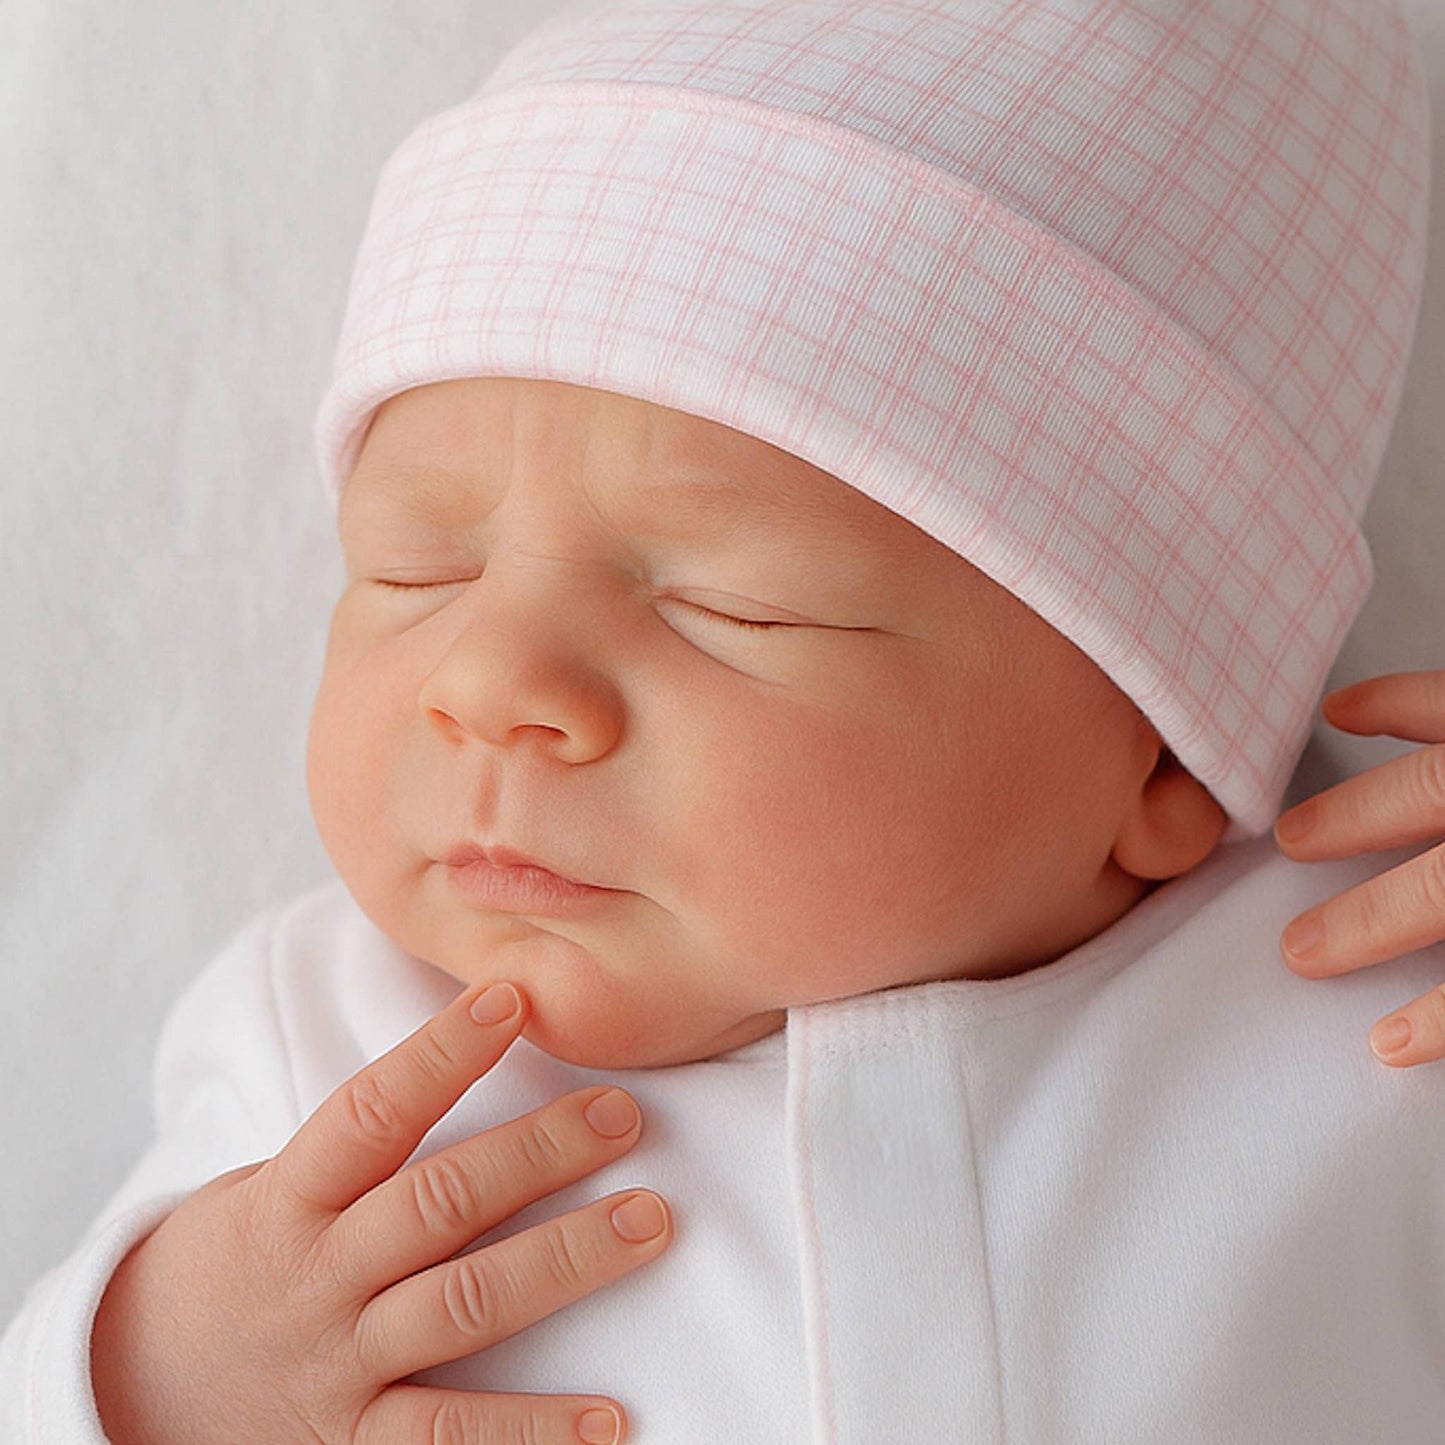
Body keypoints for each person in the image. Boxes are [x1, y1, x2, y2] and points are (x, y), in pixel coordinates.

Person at [3, 1, 1442, 1441]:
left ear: (1161, 744)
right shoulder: (323, 1042)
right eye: (413, 568)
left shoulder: (1366, 984)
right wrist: (162, 1376)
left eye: (730, 604)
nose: (489, 680)